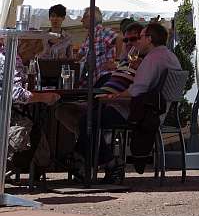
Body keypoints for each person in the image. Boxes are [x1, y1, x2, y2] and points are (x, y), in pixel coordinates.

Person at [71, 22, 181, 181]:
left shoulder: (152, 58)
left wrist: (112, 97)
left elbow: (136, 91)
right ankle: (80, 159)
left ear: (149, 39)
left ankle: (109, 163)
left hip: (139, 114)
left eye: (141, 37)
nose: (137, 42)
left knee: (88, 120)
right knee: (89, 117)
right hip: (159, 112)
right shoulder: (168, 56)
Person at [0, 41, 60, 172]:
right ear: (25, 46)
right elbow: (16, 94)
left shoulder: (3, 54)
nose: (32, 58)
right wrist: (45, 98)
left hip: (7, 110)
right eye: (33, 53)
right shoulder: (13, 58)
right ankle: (20, 167)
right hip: (5, 114)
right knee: (34, 130)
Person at [77, 7, 117, 81]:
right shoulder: (89, 37)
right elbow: (79, 55)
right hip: (94, 79)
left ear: (91, 17)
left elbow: (120, 39)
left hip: (105, 76)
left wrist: (117, 62)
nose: (81, 20)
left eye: (84, 17)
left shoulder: (102, 31)